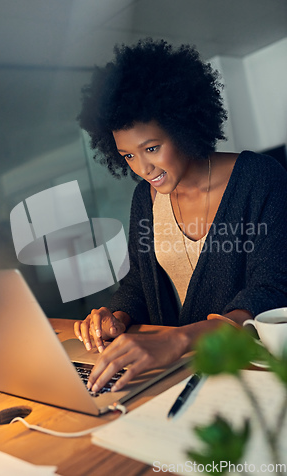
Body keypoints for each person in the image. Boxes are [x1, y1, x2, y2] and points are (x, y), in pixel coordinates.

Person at [75, 38, 287, 394]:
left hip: (245, 377)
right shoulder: (146, 198)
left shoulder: (259, 178)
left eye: (152, 148)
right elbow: (139, 284)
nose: (143, 168)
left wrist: (178, 341)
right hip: (170, 376)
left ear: (183, 125)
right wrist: (116, 317)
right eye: (127, 156)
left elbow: (271, 292)